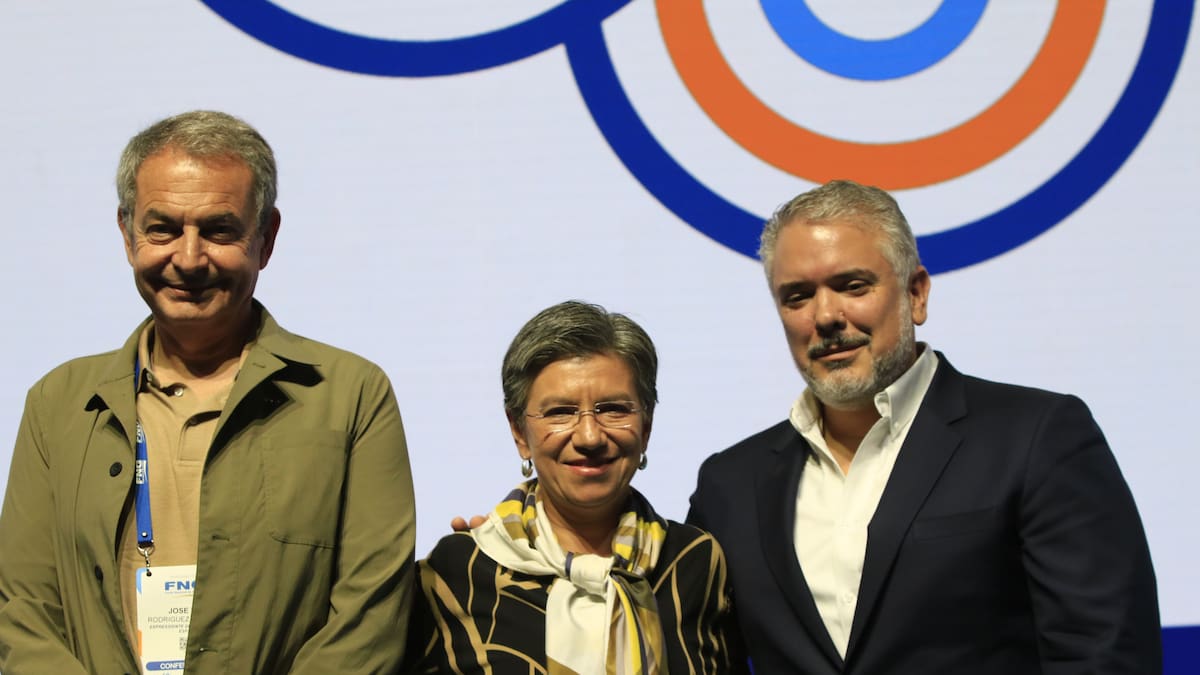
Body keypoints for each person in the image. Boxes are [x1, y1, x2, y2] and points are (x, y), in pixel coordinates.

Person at [0, 111, 416, 674]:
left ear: (265, 239)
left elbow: (370, 616)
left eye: (219, 230)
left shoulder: (350, 395)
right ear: (127, 235)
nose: (189, 259)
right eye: (162, 228)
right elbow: (22, 612)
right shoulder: (59, 403)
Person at [687, 179, 1161, 673]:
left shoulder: (1038, 438)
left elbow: (1105, 656)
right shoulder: (729, 486)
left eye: (852, 286)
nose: (826, 316)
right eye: (797, 296)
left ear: (916, 293)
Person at [407, 301, 744, 674]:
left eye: (613, 408)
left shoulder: (696, 562)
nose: (589, 436)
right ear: (519, 432)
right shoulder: (457, 571)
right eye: (560, 412)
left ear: (646, 427)